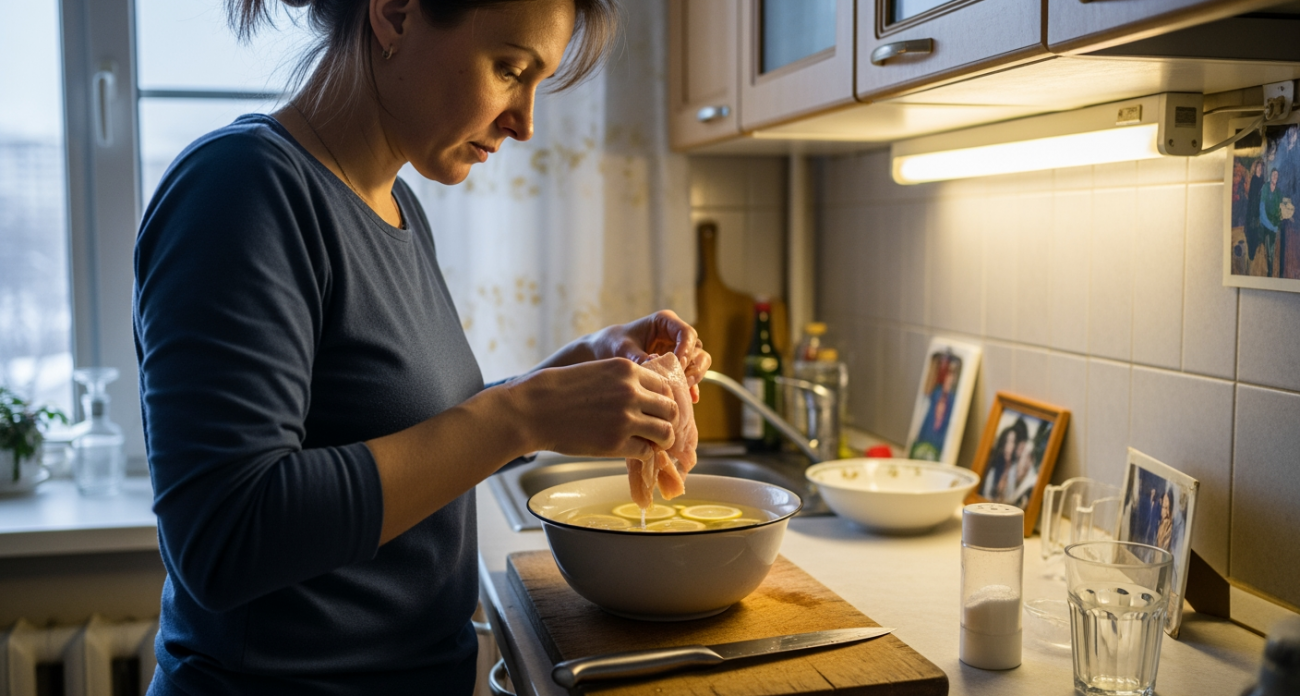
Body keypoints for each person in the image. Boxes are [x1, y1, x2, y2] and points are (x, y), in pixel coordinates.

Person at [132, 1, 712, 693]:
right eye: (509, 70)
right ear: (397, 14)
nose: (525, 123)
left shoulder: (398, 209)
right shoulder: (241, 189)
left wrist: (579, 365)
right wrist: (522, 415)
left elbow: (413, 432)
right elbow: (225, 538)